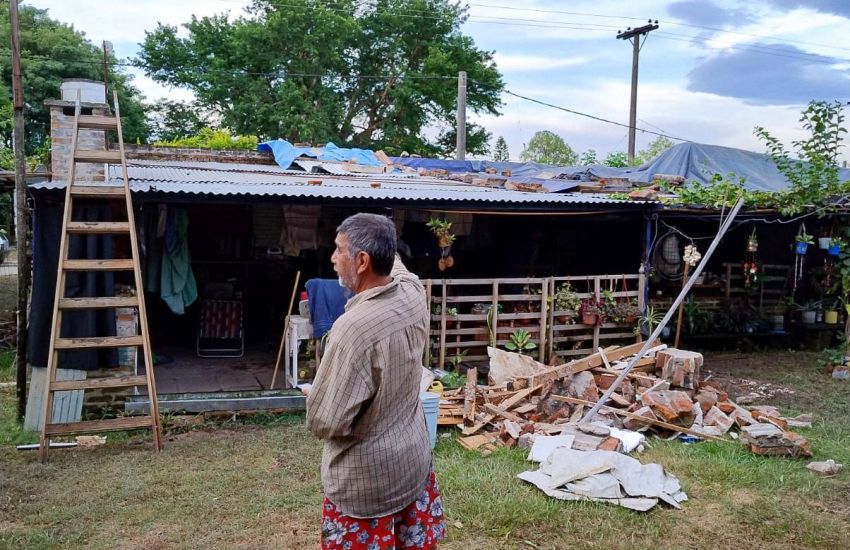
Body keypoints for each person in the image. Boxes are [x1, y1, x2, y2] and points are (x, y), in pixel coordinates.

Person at [306, 213, 445, 550]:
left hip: (367, 486)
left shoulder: (352, 329)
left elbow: (326, 421)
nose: (333, 259)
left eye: (339, 250)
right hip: (411, 464)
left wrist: (314, 395)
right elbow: (397, 267)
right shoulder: (413, 294)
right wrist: (380, 230)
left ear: (363, 261)